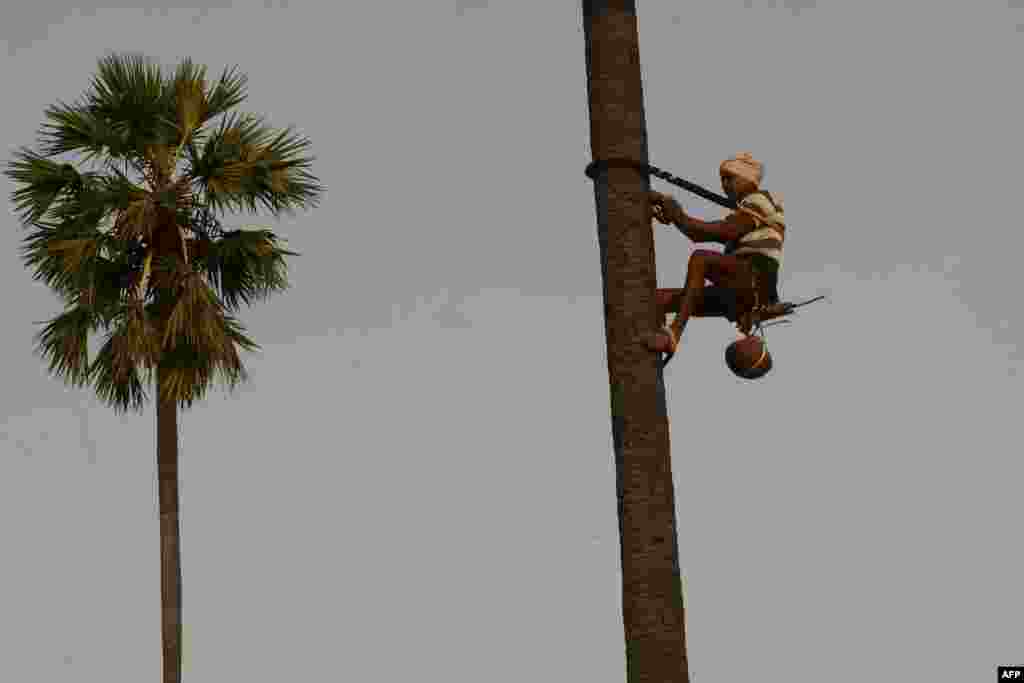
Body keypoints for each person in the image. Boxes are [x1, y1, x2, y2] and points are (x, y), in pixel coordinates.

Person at [645, 152, 785, 365]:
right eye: (722, 179)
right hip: (737, 294)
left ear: (749, 179)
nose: (725, 184)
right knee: (655, 300)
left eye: (731, 178)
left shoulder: (760, 201)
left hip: (753, 281)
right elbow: (700, 232)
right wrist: (674, 215)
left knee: (702, 259)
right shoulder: (745, 209)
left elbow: (715, 232)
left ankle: (672, 334)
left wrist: (676, 213)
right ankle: (650, 356)